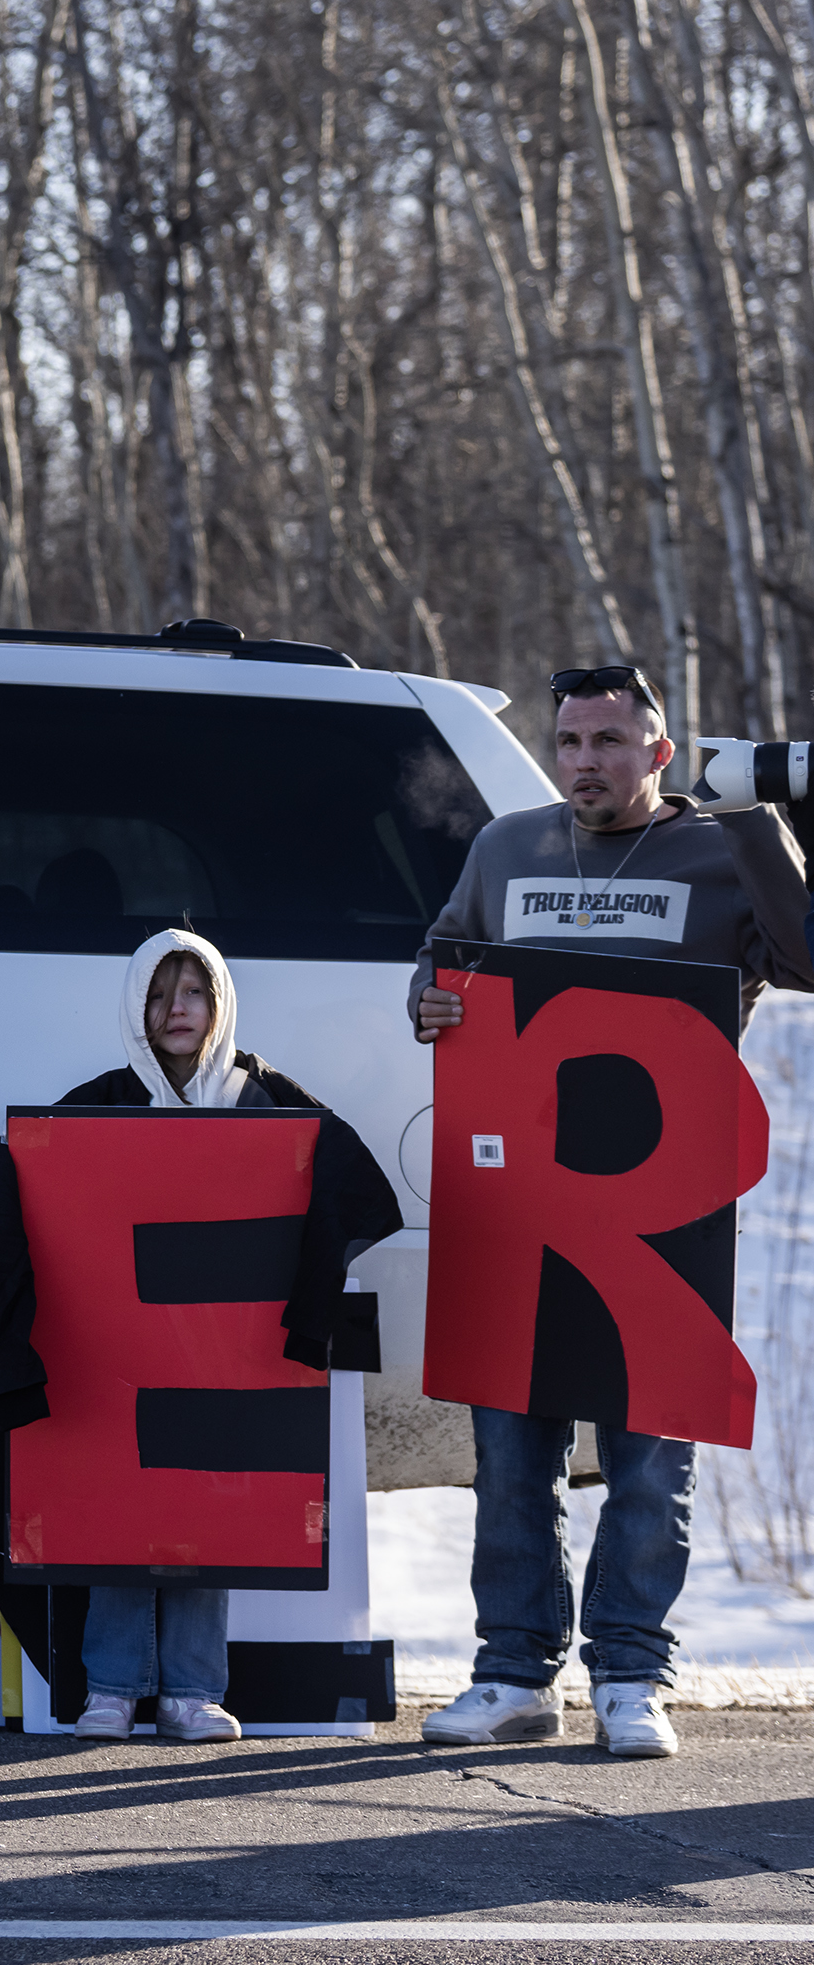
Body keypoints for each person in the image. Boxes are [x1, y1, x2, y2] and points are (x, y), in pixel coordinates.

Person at [409, 666, 814, 1760]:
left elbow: (806, 958)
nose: (584, 760)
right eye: (570, 740)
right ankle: (513, 1675)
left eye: (608, 741)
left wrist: (757, 818)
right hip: (522, 1208)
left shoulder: (721, 848)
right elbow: (444, 956)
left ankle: (632, 1675)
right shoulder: (508, 847)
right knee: (512, 1458)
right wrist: (427, 999)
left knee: (647, 1460)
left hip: (664, 1215)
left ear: (658, 755)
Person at [0, 927, 399, 1744]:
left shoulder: (266, 1099)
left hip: (226, 1353)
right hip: (121, 1354)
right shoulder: (100, 1103)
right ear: (133, 1006)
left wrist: (305, 1316)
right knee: (121, 1501)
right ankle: (110, 1686)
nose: (177, 1009)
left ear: (221, 1002)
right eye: (158, 992)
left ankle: (192, 1689)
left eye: (194, 991)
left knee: (207, 1502)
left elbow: (352, 1191)